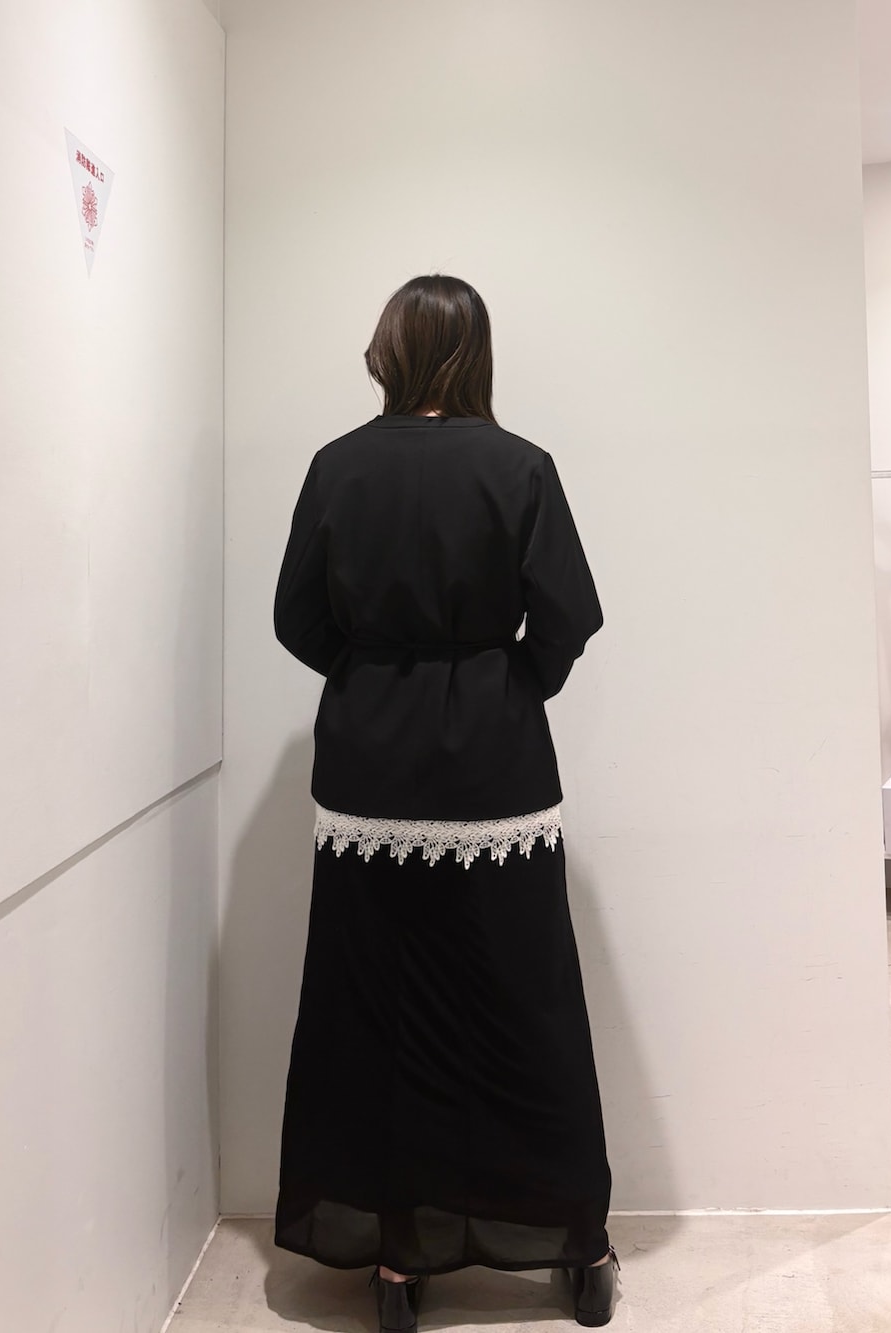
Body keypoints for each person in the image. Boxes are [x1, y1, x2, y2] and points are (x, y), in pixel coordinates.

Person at [272, 274, 618, 1331]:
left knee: (374, 1010)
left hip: (366, 773)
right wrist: (501, 687)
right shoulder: (520, 466)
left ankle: (394, 1259)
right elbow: (569, 616)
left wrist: (376, 680)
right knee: (524, 1004)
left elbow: (297, 619)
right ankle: (574, 1239)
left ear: (389, 351)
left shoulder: (338, 465)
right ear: (478, 353)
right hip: (496, 770)